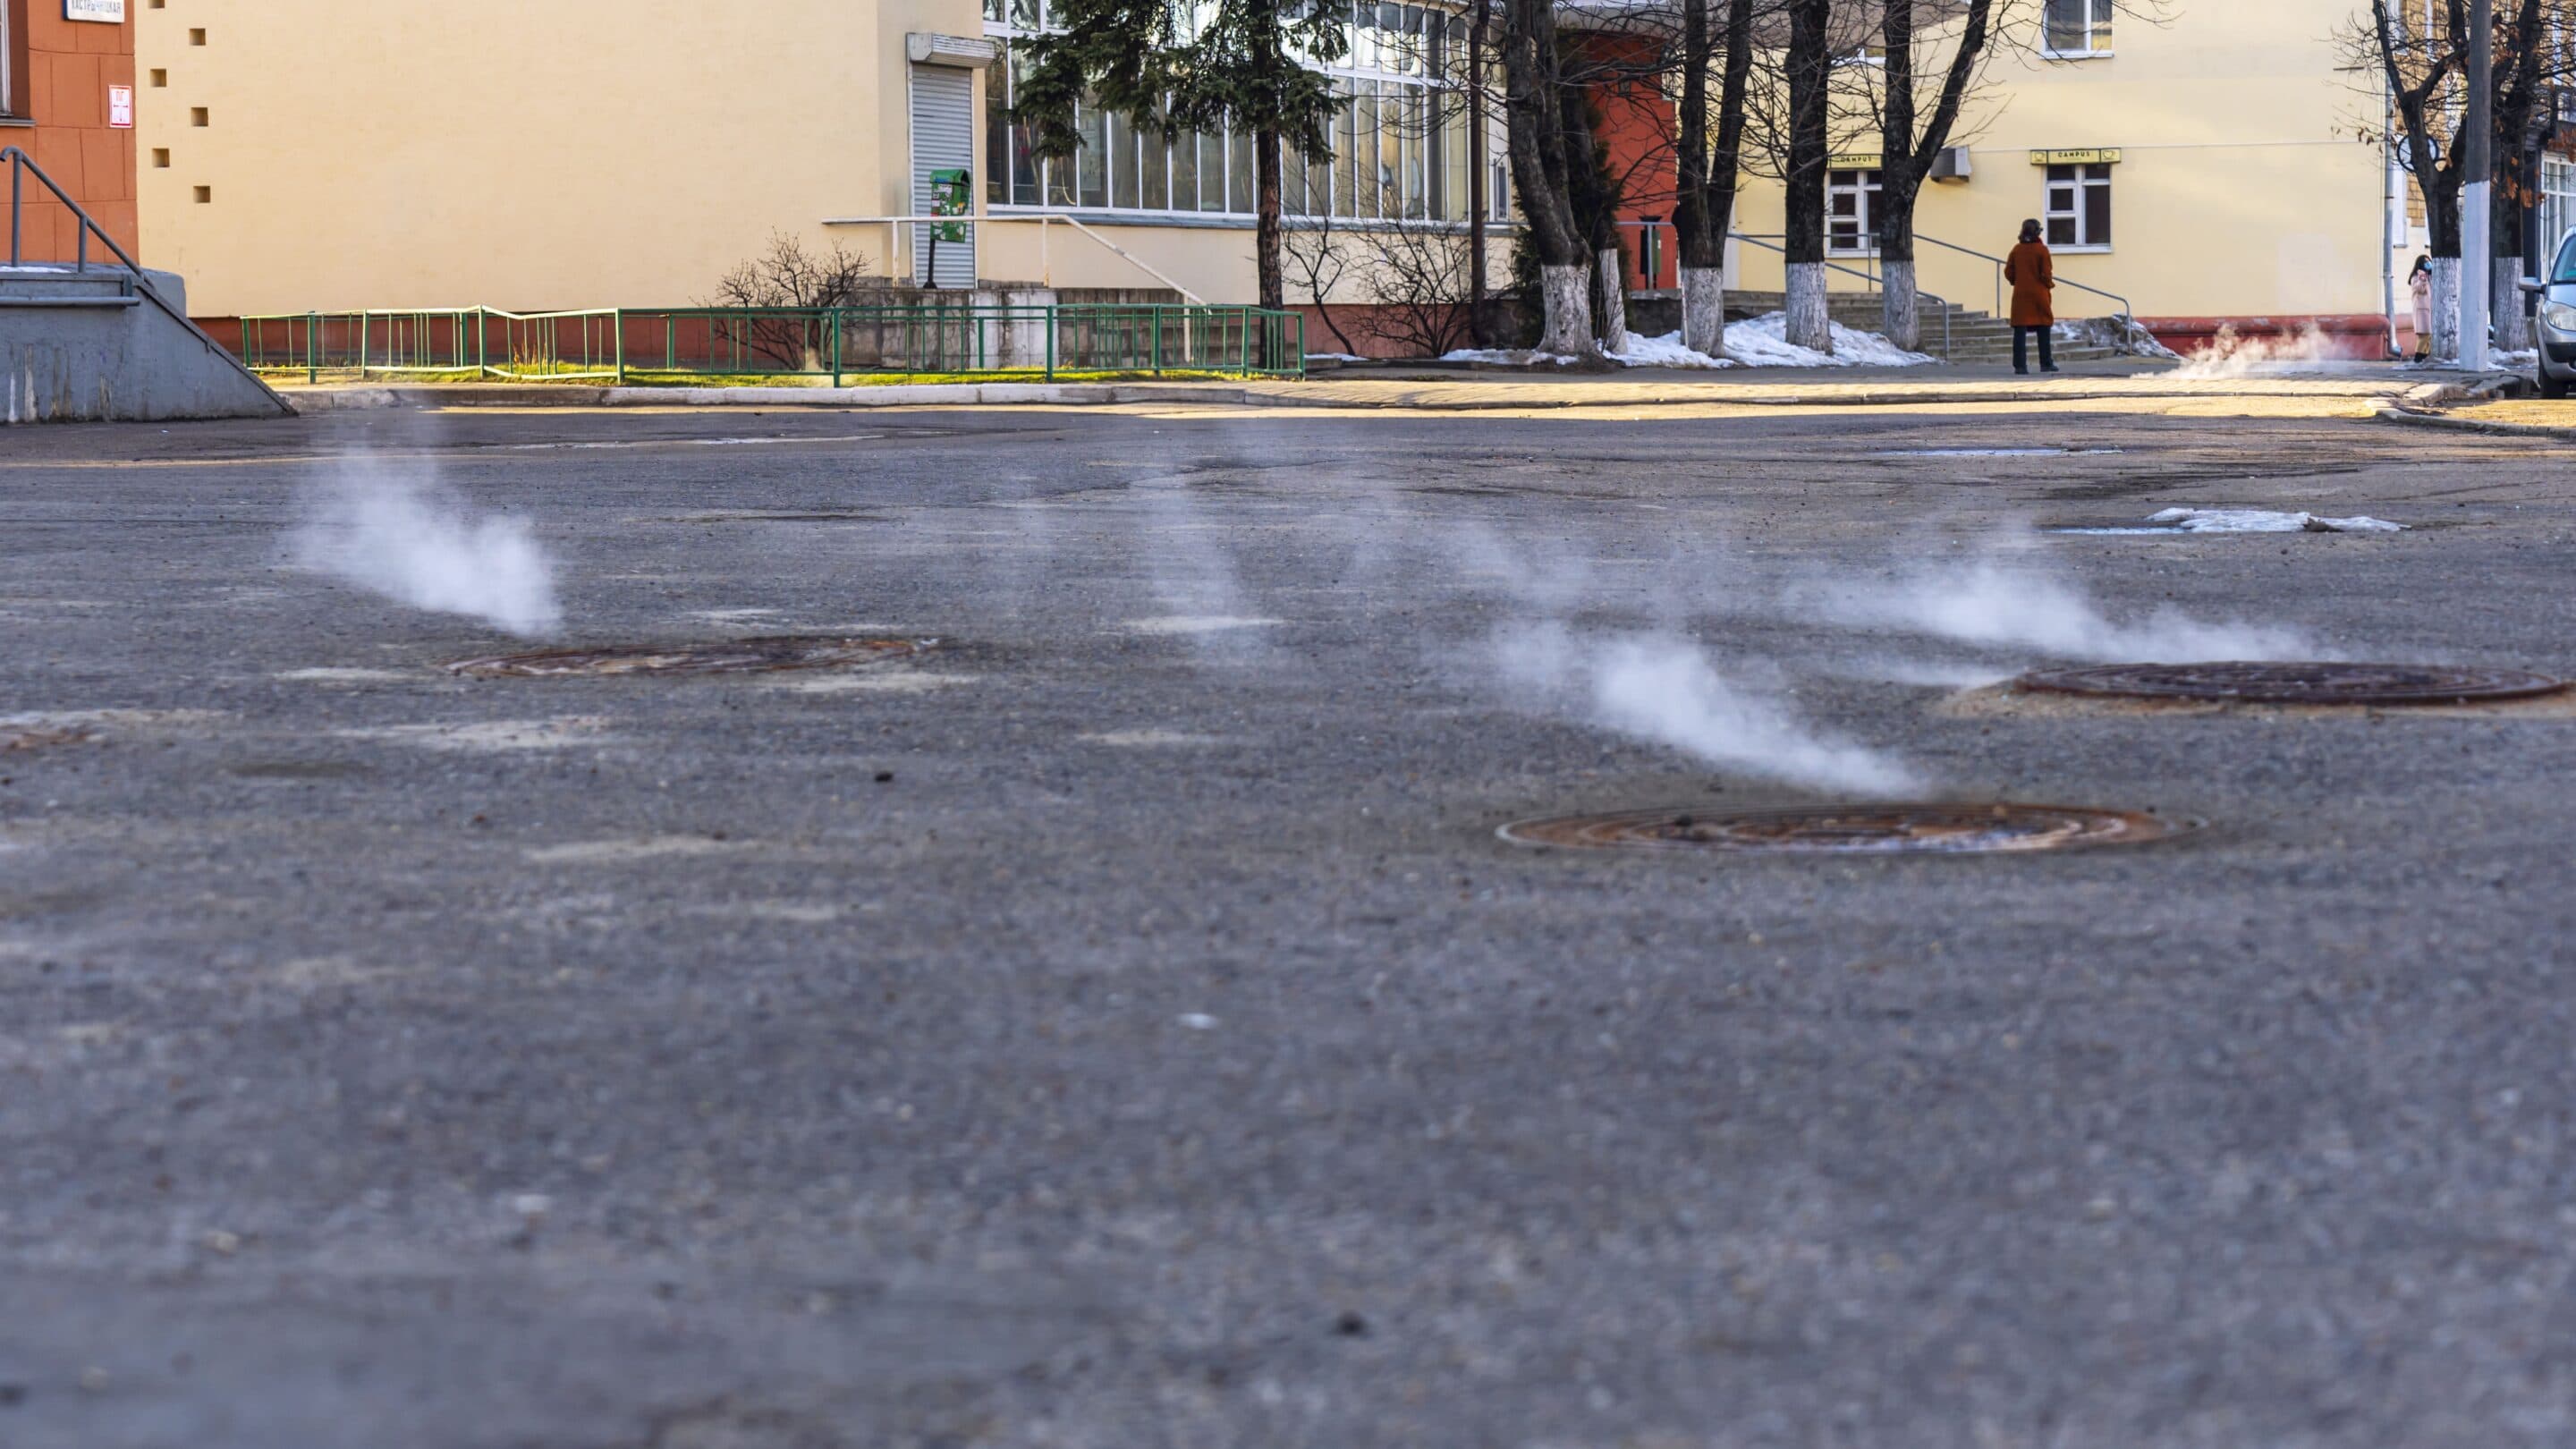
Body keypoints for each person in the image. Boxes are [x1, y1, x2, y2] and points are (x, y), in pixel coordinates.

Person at [2005, 219, 2057, 375]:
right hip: (2039, 294)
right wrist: (2049, 285)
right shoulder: (2042, 250)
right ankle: (2046, 363)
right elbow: (2046, 274)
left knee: (2020, 330)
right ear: (2037, 233)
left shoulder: (2016, 250)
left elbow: (2009, 272)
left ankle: (2020, 366)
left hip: (2020, 294)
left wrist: (2017, 281)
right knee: (2043, 327)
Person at [2407, 255, 2433, 362]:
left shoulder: (2430, 276)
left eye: (2429, 261)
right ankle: (2418, 357)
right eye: (2425, 261)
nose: (2428, 263)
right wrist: (2422, 280)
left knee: (2429, 335)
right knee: (2424, 335)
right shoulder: (2416, 277)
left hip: (2429, 309)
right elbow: (2419, 290)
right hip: (2421, 310)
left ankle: (2424, 356)